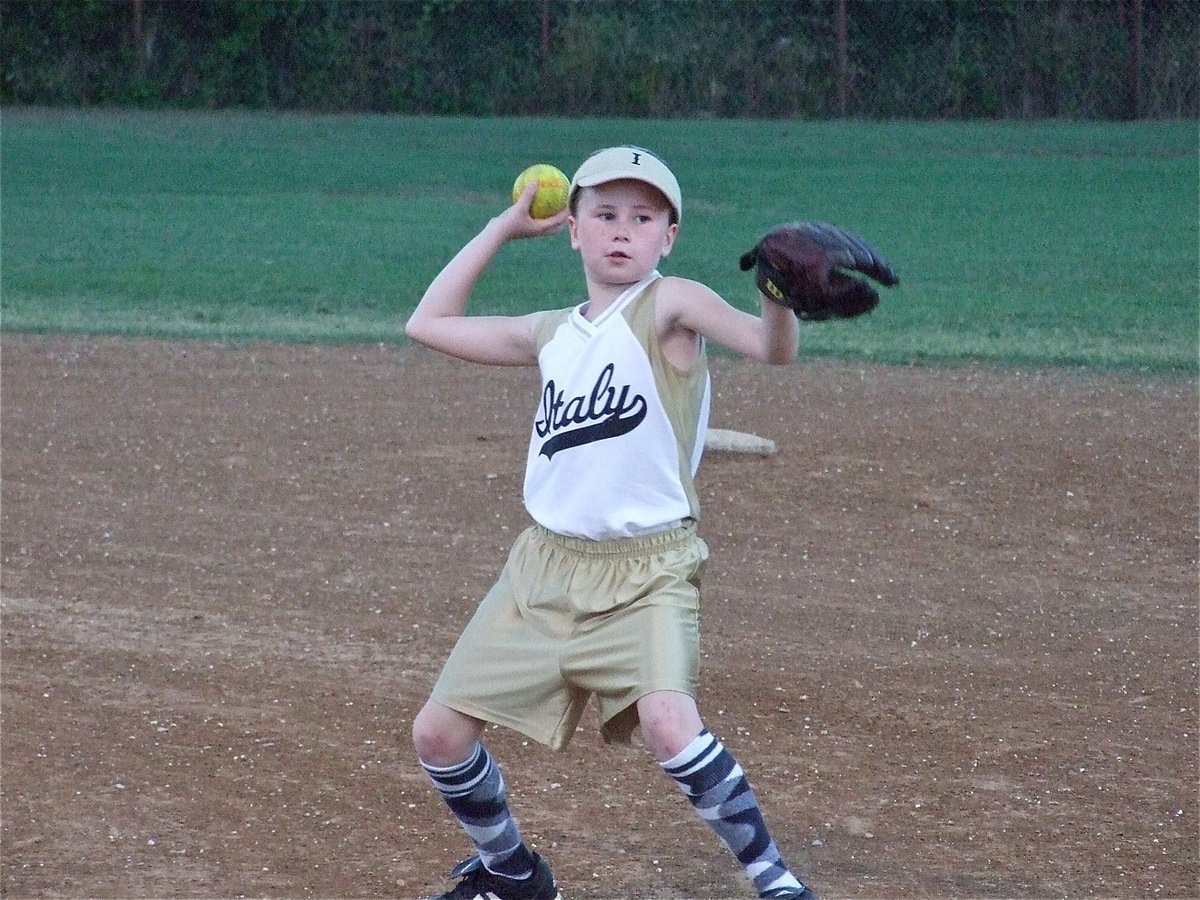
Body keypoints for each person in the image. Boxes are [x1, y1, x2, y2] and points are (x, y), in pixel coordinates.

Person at [406, 146, 818, 900]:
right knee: (437, 735)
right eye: (603, 214)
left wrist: (777, 296)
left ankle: (776, 883)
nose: (621, 230)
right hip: (542, 571)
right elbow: (427, 322)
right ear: (573, 229)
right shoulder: (551, 331)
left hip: (647, 571)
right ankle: (512, 873)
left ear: (668, 236)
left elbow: (772, 350)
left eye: (643, 216)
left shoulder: (670, 305)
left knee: (671, 725)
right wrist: (503, 227)